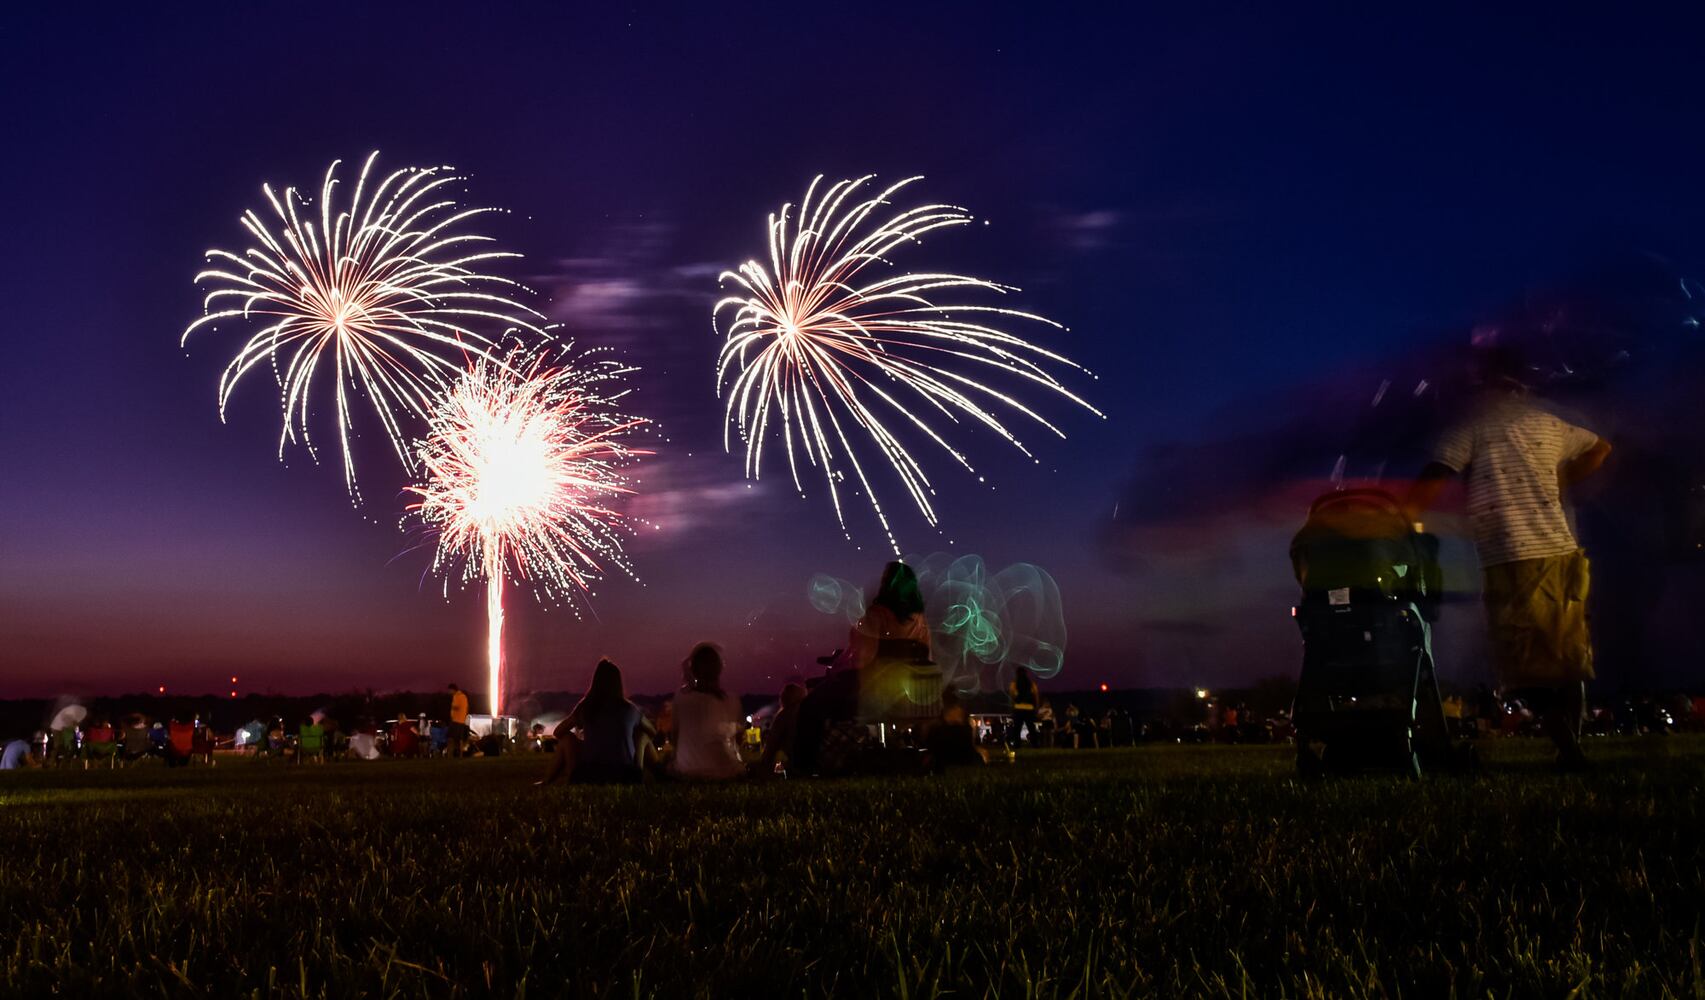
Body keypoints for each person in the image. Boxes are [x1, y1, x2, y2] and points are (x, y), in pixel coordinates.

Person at [1407, 346, 1612, 771]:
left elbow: (1431, 481)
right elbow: (1601, 448)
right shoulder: (1548, 424)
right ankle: (1569, 747)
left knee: (1521, 666)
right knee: (1568, 658)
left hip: (1510, 558)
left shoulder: (1470, 428)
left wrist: (1395, 519)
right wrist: (1558, 481)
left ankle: (1570, 752)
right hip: (1562, 555)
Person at [538, 658, 656, 785]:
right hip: (627, 776)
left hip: (590, 776)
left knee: (567, 739)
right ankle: (660, 774)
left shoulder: (586, 707)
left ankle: (546, 781)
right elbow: (652, 732)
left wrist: (584, 741)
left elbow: (559, 732)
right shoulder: (630, 709)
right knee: (642, 736)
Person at [668, 643, 744, 781]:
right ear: (720, 668)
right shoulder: (733, 700)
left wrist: (687, 674)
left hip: (688, 772)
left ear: (693, 670)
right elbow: (738, 740)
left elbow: (675, 738)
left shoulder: (681, 697)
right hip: (728, 772)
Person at [758, 683, 808, 775]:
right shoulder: (809, 712)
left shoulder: (784, 715)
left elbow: (772, 743)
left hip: (794, 760)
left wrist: (763, 764)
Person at [1008, 667, 1040, 749]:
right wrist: (1036, 708)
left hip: (1018, 708)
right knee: (1031, 728)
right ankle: (1035, 744)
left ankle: (1017, 744)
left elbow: (1012, 698)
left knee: (1017, 728)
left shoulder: (1014, 684)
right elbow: (1036, 697)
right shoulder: (1031, 684)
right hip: (1029, 709)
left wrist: (1012, 708)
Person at [447, 683, 471, 758]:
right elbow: (467, 709)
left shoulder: (457, 696)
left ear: (452, 690)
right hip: (461, 720)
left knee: (451, 738)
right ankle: (460, 755)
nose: (449, 692)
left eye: (449, 691)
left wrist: (451, 708)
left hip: (456, 720)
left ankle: (450, 755)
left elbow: (456, 707)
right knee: (459, 739)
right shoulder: (464, 696)